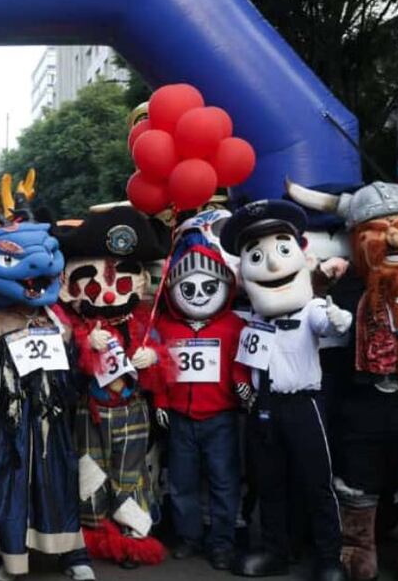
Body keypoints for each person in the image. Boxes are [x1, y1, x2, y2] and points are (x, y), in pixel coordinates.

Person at [288, 145, 398, 581]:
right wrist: (318, 283)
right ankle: (356, 547)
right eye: (379, 231)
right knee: (357, 475)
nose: (396, 240)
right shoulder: (347, 288)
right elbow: (311, 324)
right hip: (362, 404)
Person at [0, 172, 95, 581]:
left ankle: (71, 554)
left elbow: (72, 366)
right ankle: (12, 558)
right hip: (9, 422)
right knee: (10, 485)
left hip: (52, 419)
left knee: (59, 480)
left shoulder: (56, 318)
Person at [221, 200, 351, 581]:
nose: (273, 265)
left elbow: (328, 324)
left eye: (281, 249)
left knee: (317, 482)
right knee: (268, 482)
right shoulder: (251, 318)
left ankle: (329, 557)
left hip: (302, 405)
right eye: (256, 256)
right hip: (263, 407)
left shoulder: (310, 309)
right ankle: (274, 549)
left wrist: (337, 318)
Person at [51, 205, 169, 569]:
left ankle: (133, 535)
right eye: (93, 285)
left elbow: (160, 368)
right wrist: (83, 346)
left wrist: (153, 358)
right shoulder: (70, 326)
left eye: (119, 282)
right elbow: (65, 372)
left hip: (131, 409)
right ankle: (95, 531)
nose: (105, 295)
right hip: (91, 411)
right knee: (90, 471)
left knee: (130, 474)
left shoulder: (140, 324)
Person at [153, 230, 251, 571]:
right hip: (180, 416)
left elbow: (240, 362)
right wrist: (161, 401)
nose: (197, 296)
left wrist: (242, 384)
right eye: (189, 289)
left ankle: (222, 542)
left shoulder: (234, 326)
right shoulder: (166, 326)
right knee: (182, 481)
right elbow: (159, 367)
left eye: (208, 288)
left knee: (224, 481)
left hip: (221, 416)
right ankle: (189, 536)